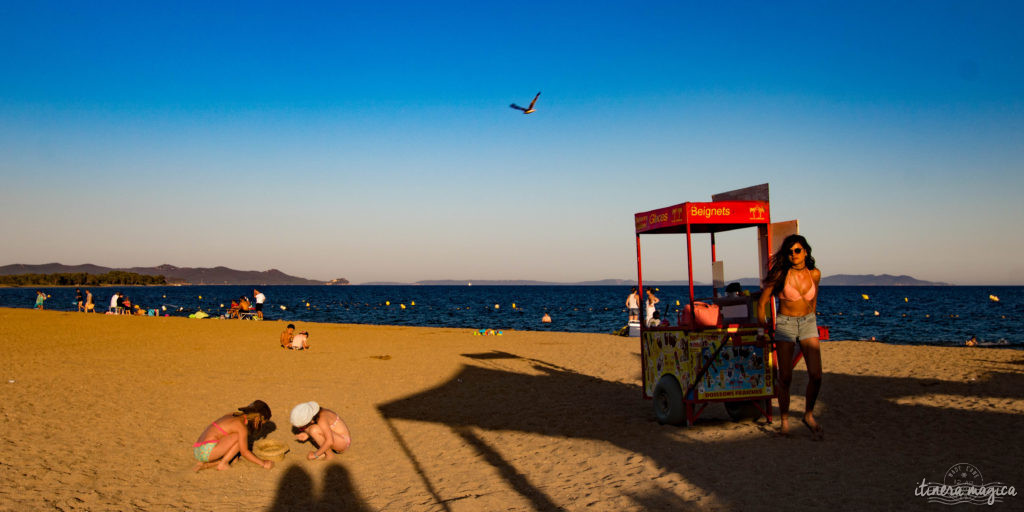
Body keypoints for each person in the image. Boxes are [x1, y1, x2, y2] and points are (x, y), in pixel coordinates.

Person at [757, 234, 824, 440]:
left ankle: (808, 414)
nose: (793, 254)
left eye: (797, 250)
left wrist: (810, 319)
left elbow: (813, 302)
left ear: (805, 251)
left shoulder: (814, 274)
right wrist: (763, 329)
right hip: (785, 324)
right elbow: (762, 303)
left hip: (807, 323)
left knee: (816, 375)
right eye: (790, 251)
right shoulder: (779, 274)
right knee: (785, 376)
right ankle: (784, 421)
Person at [192, 400, 275, 472]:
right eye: (262, 424)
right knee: (240, 436)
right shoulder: (241, 426)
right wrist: (263, 463)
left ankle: (208, 463)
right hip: (207, 451)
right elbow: (245, 452)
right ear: (257, 419)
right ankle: (223, 463)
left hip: (198, 449)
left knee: (238, 439)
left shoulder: (233, 415)